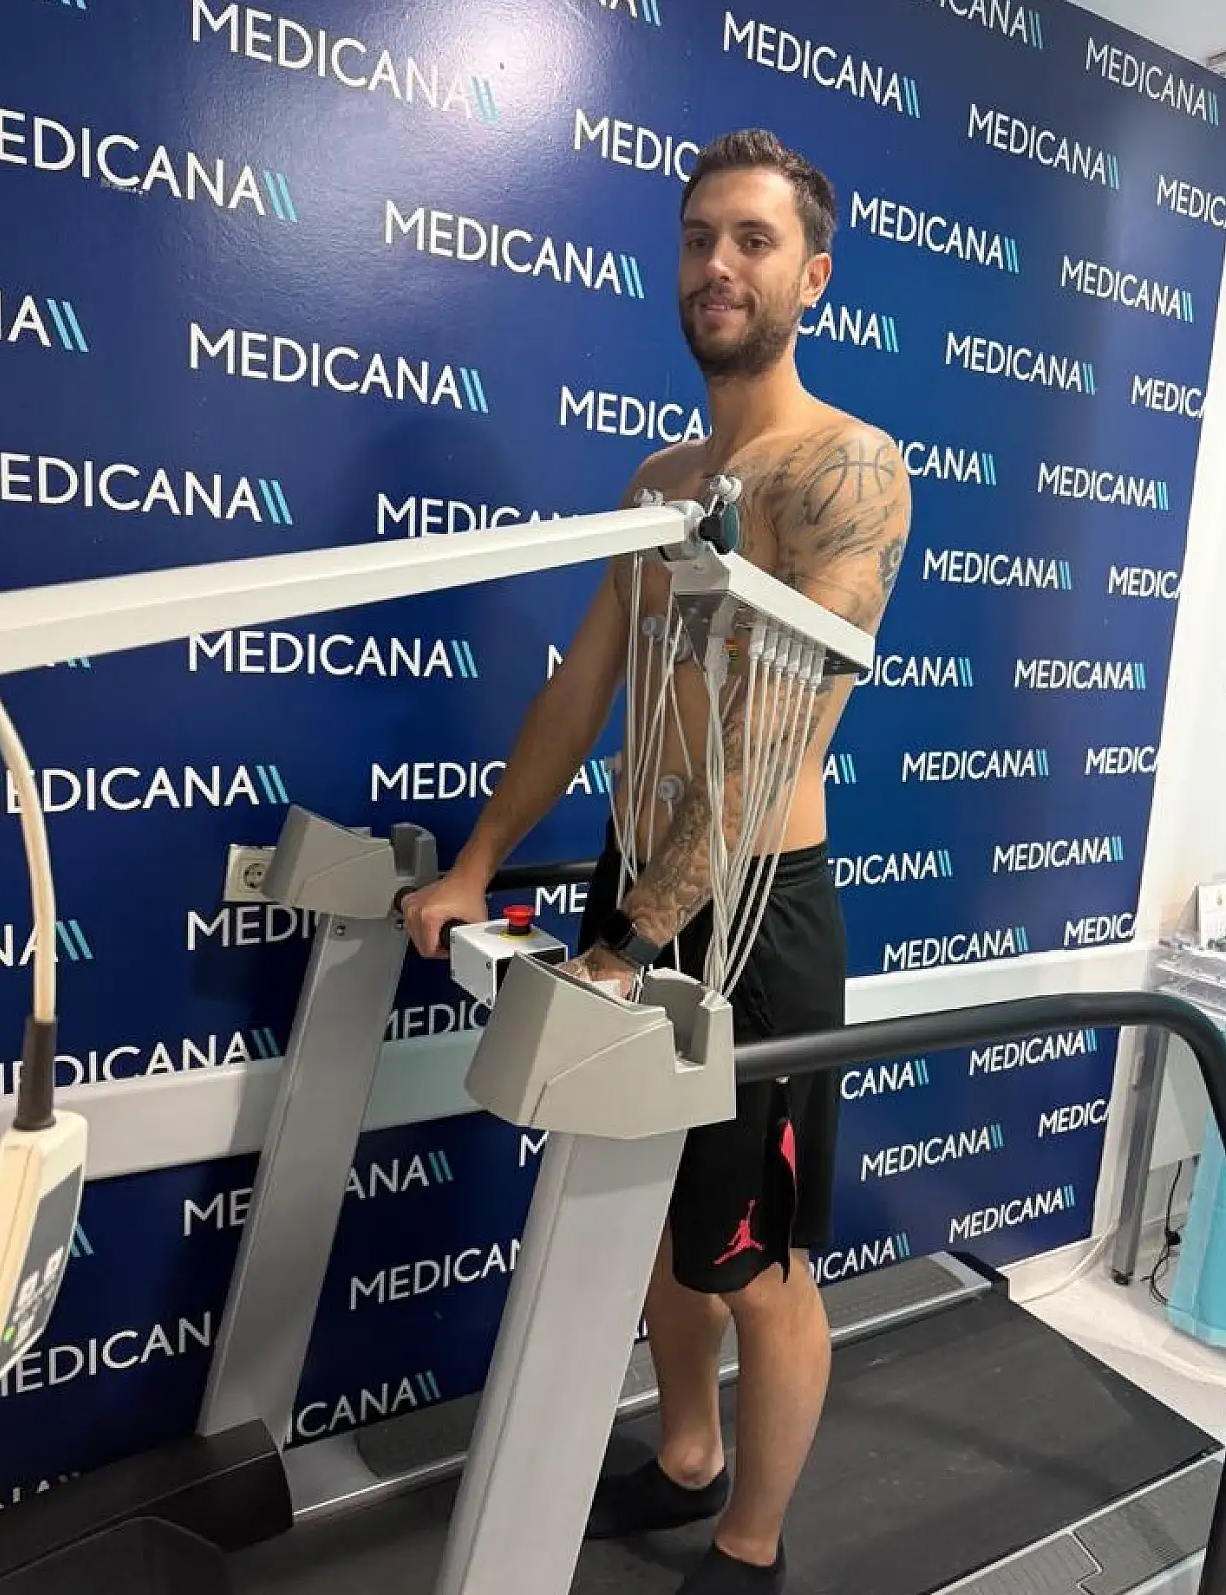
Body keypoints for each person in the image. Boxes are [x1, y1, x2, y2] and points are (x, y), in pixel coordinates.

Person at [401, 127, 913, 1594]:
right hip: (635, 887)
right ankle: (687, 1456)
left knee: (756, 1263)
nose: (718, 265)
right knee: (649, 1222)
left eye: (753, 240)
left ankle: (750, 1547)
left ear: (812, 277)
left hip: (756, 915)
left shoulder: (849, 470)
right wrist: (476, 864)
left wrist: (629, 942)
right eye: (699, 238)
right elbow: (586, 686)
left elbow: (779, 732)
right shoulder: (663, 479)